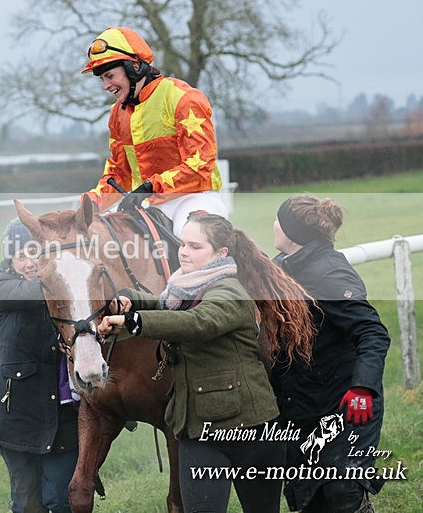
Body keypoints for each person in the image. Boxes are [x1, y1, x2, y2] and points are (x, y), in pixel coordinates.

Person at [97, 212, 316, 513]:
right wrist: (128, 299)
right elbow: (165, 304)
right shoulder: (183, 287)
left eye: (195, 246)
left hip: (252, 432)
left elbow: (198, 322)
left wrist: (135, 322)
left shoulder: (229, 292)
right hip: (198, 431)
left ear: (221, 254)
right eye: (182, 244)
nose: (184, 252)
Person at [271, 195, 390, 513]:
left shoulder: (329, 274)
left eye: (278, 220)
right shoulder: (281, 267)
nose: (273, 226)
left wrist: (363, 387)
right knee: (309, 498)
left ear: (293, 232)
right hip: (302, 402)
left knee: (341, 490)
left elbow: (373, 333)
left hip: (348, 403)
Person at [81, 27, 228, 235]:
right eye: (102, 79)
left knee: (191, 236)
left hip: (194, 197)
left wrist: (149, 187)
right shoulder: (117, 113)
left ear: (133, 67)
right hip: (150, 204)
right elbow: (119, 173)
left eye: (109, 75)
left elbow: (200, 164)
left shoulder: (183, 98)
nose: (105, 85)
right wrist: (89, 205)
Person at [0, 218, 79, 513]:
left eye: (34, 253)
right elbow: (35, 292)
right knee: (26, 505)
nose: (29, 263)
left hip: (61, 417)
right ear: (9, 260)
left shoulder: (62, 287)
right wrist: (64, 273)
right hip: (18, 417)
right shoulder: (1, 286)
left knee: (60, 501)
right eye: (21, 256)